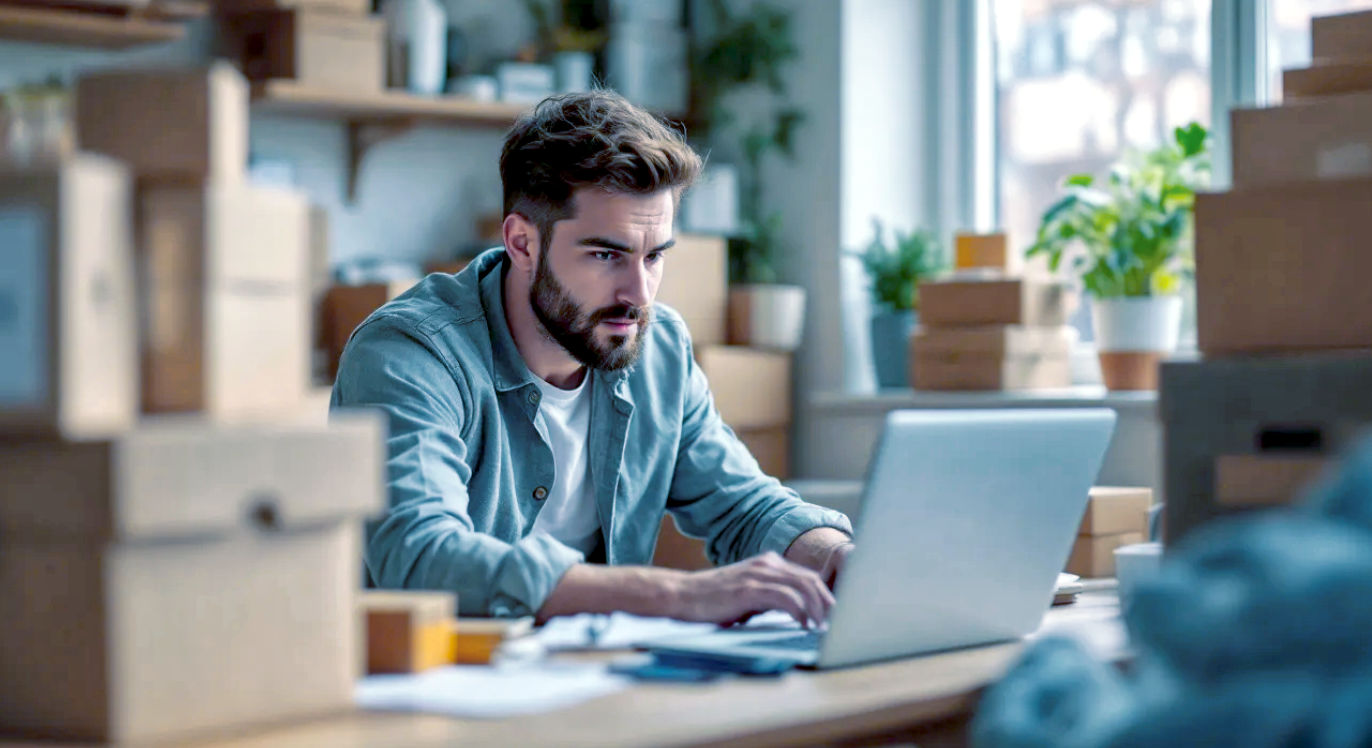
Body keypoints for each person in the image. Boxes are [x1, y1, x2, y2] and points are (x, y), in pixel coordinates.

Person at [332, 90, 854, 628]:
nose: (640, 294)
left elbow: (745, 507)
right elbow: (421, 558)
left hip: (592, 679)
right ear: (522, 243)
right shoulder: (410, 354)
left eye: (654, 257)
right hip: (434, 689)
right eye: (607, 255)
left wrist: (833, 555)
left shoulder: (658, 350)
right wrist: (675, 595)